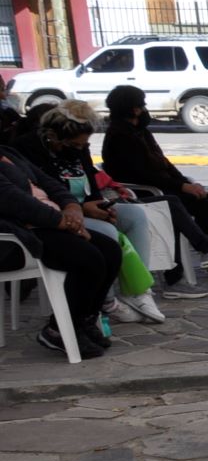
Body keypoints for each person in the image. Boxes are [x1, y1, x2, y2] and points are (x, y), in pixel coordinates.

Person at [17, 99, 208, 320]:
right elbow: (42, 190)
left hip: (86, 206)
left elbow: (91, 182)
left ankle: (138, 292)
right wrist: (83, 208)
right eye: (74, 145)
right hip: (57, 215)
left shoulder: (96, 144)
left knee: (137, 216)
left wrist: (100, 205)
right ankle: (107, 300)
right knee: (109, 232)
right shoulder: (27, 150)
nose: (79, 149)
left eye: (83, 145)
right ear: (54, 137)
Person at [100, 84, 208, 293]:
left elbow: (164, 164)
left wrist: (186, 183)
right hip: (145, 191)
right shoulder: (120, 136)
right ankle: (200, 257)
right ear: (133, 108)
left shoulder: (140, 132)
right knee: (180, 205)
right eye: (141, 105)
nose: (144, 109)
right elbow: (140, 174)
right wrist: (181, 186)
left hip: (164, 185)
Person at [0, 146, 122, 359]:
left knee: (110, 250)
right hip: (18, 234)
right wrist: (62, 221)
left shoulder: (9, 153)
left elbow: (48, 182)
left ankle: (83, 320)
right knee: (88, 259)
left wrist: (71, 207)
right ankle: (57, 330)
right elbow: (12, 200)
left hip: (48, 224)